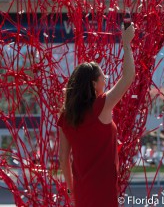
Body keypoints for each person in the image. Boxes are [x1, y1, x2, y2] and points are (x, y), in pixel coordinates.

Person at [58, 24, 135, 207]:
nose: (106, 80)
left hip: (82, 191)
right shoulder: (101, 105)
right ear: (94, 84)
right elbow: (128, 77)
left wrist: (71, 189)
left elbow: (63, 158)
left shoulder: (66, 115)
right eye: (103, 77)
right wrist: (126, 44)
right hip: (104, 190)